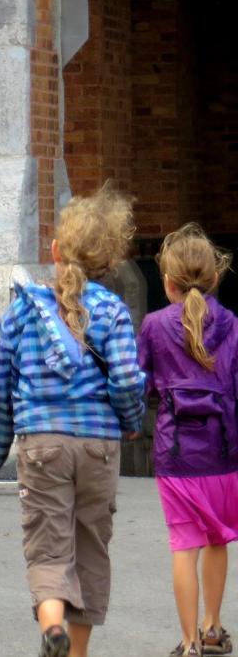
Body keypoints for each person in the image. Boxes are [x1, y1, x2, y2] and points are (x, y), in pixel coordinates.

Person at [0, 184, 146, 657]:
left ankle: (52, 627)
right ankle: (77, 652)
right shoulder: (112, 310)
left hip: (42, 444)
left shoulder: (21, 313)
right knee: (91, 548)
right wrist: (130, 420)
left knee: (49, 546)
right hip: (99, 446)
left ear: (54, 250)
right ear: (108, 261)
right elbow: (128, 380)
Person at [137, 223, 238, 657]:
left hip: (175, 452)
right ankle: (214, 627)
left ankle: (190, 642)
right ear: (215, 278)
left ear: (167, 282)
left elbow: (141, 385)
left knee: (184, 545)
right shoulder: (230, 323)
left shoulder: (155, 325)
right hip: (224, 450)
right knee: (218, 539)